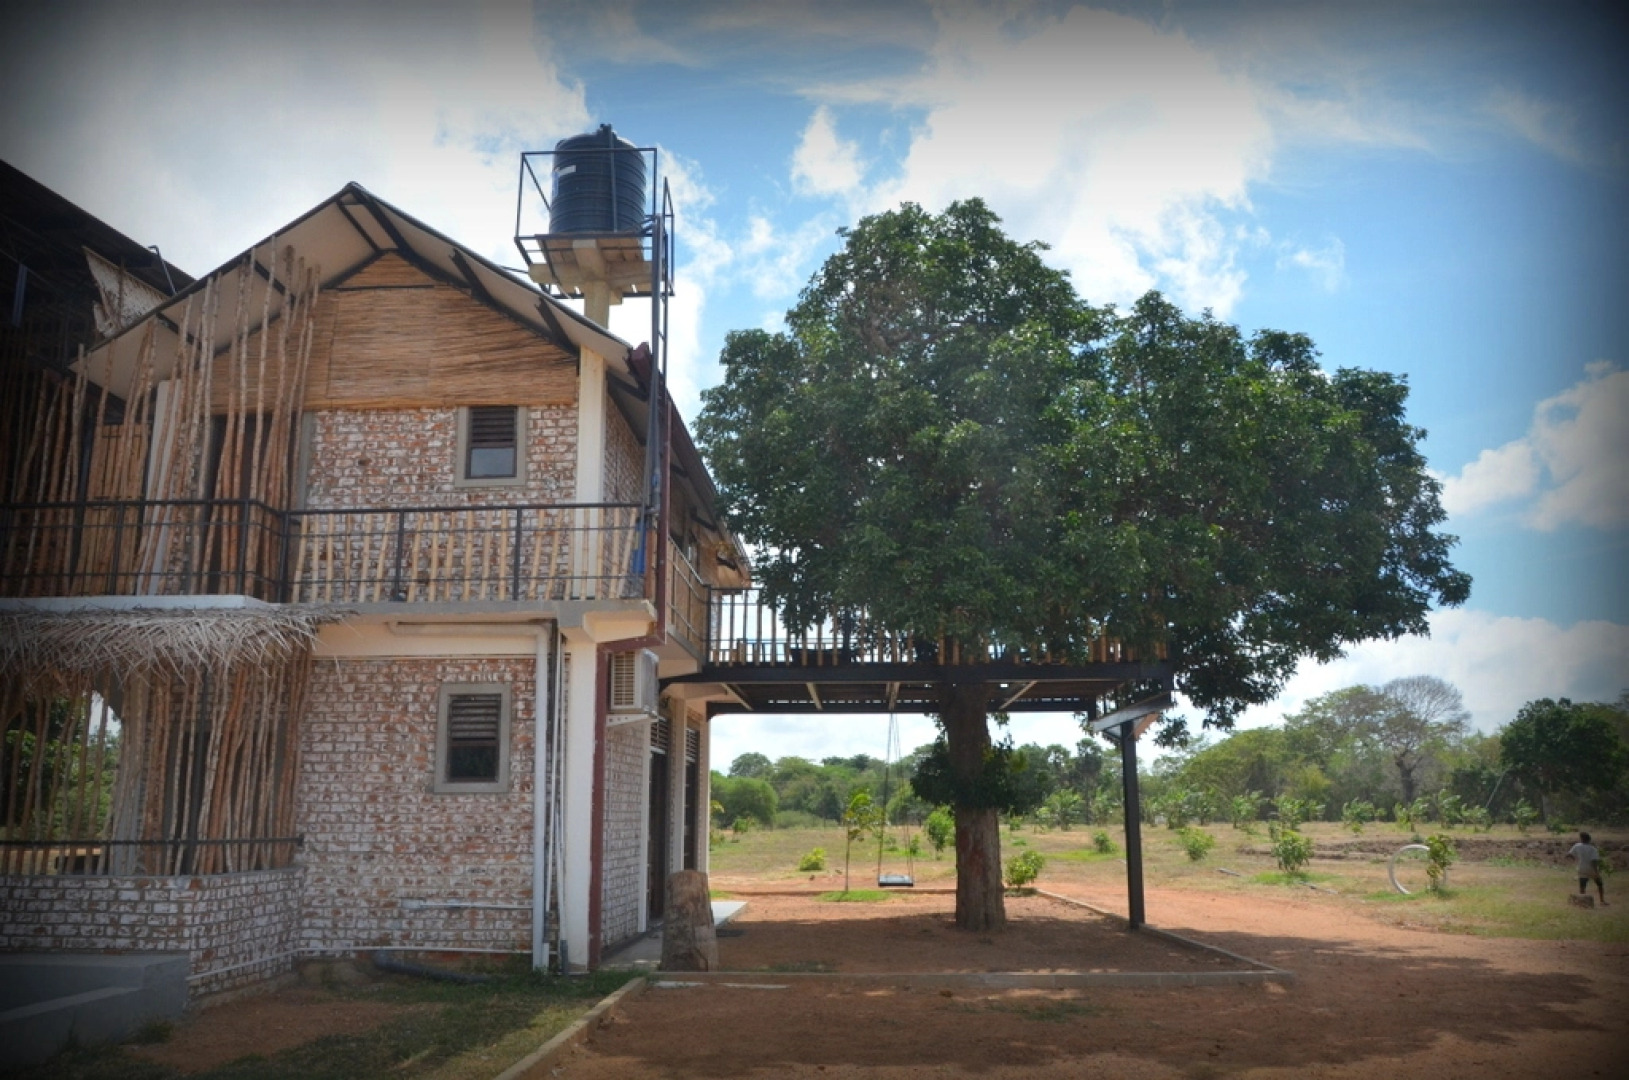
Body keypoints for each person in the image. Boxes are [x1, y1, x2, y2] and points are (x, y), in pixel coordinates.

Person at [1567, 831, 1607, 905]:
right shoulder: (1593, 849)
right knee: (1600, 884)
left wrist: (1575, 860)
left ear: (1581, 839)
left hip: (1581, 867)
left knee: (1582, 886)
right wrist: (1597, 873)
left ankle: (1582, 902)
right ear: (1589, 840)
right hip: (1591, 869)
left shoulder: (1577, 846)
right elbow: (1594, 861)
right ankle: (1602, 901)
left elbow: (1569, 854)